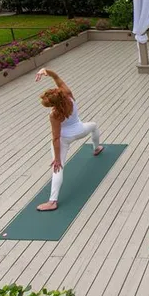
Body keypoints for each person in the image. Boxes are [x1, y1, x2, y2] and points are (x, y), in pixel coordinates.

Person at [35, 68, 104, 212]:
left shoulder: (54, 115)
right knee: (94, 126)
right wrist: (46, 71)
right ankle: (97, 148)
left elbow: (56, 138)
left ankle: (52, 201)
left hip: (64, 139)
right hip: (80, 130)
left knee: (57, 167)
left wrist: (57, 159)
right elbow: (57, 78)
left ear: (53, 104)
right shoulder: (68, 94)